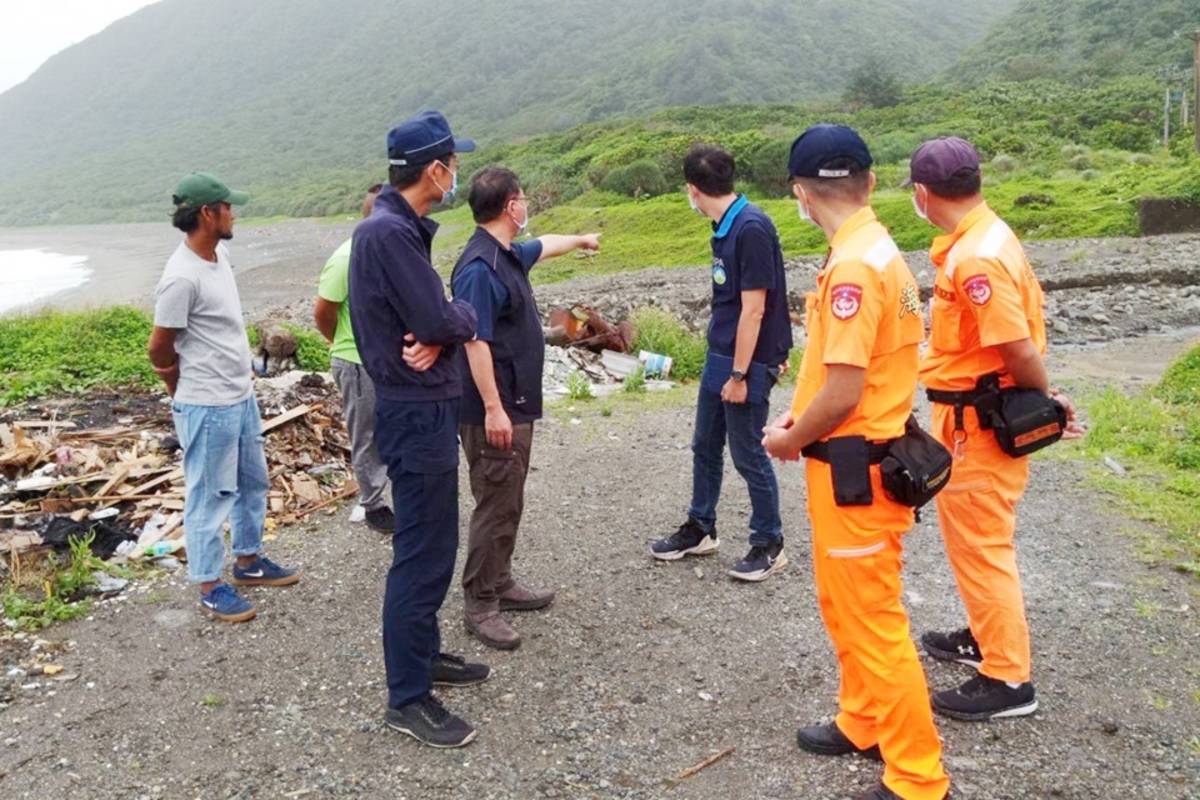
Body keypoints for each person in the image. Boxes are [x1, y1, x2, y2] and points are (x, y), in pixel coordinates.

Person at [762, 124, 950, 800]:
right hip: (855, 461)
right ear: (870, 182)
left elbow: (844, 391)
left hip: (857, 470)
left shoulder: (852, 267)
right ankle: (864, 719)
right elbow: (850, 373)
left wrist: (788, 436)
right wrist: (799, 418)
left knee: (872, 621)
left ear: (800, 195)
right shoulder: (877, 250)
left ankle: (918, 778)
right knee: (846, 607)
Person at [907, 136, 1081, 722]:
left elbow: (1015, 344)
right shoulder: (988, 233)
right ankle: (986, 635)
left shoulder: (974, 256)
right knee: (974, 543)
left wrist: (1041, 396)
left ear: (922, 194)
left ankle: (1008, 678)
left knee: (982, 547)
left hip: (977, 422)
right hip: (968, 413)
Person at [348, 111, 488, 749]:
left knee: (435, 541)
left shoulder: (398, 230)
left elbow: (431, 326)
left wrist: (440, 332)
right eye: (453, 162)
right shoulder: (388, 235)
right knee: (423, 553)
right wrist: (451, 322)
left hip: (422, 403)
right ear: (435, 169)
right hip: (413, 410)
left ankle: (425, 655)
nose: (456, 171)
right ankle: (406, 697)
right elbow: (442, 317)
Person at [450, 166, 601, 650]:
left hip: (515, 404)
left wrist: (581, 240)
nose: (527, 206)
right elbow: (475, 344)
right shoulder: (479, 268)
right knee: (495, 501)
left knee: (509, 496)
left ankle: (502, 582)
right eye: (523, 199)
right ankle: (480, 602)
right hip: (493, 411)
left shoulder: (508, 253)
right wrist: (493, 409)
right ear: (511, 205)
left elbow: (547, 243)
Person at [147, 172, 299, 624]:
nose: (235, 212)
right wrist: (180, 390)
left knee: (253, 482)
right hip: (207, 404)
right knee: (210, 495)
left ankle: (249, 562)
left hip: (239, 394)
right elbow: (159, 347)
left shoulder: (220, 254)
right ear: (208, 213)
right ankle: (211, 585)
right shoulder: (180, 278)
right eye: (228, 206)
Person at [649, 144, 793, 582]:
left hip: (742, 362)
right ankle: (700, 528)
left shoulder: (750, 228)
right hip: (720, 355)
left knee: (748, 451)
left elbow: (755, 310)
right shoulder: (725, 226)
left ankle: (769, 542)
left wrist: (740, 374)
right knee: (704, 446)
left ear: (693, 189)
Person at [314, 184, 394, 534]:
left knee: (390, 429)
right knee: (365, 433)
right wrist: (342, 344)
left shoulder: (393, 252)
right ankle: (373, 504)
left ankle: (393, 493)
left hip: (387, 360)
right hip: (356, 360)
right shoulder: (348, 257)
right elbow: (323, 312)